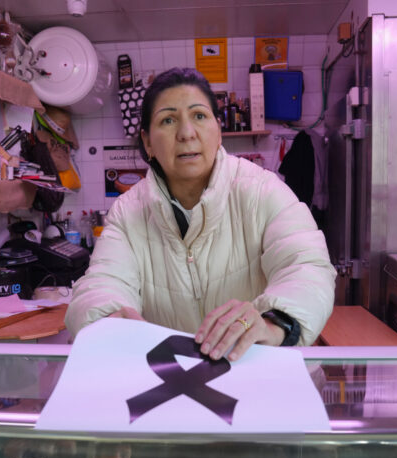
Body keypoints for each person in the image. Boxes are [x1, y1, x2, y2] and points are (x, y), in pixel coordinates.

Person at [65, 67, 335, 361]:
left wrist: (276, 322)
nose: (186, 133)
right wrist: (107, 319)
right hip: (168, 382)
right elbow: (102, 282)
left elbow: (307, 266)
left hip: (252, 372)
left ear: (218, 131)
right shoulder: (127, 213)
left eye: (199, 116)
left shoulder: (262, 191)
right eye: (168, 120)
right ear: (147, 142)